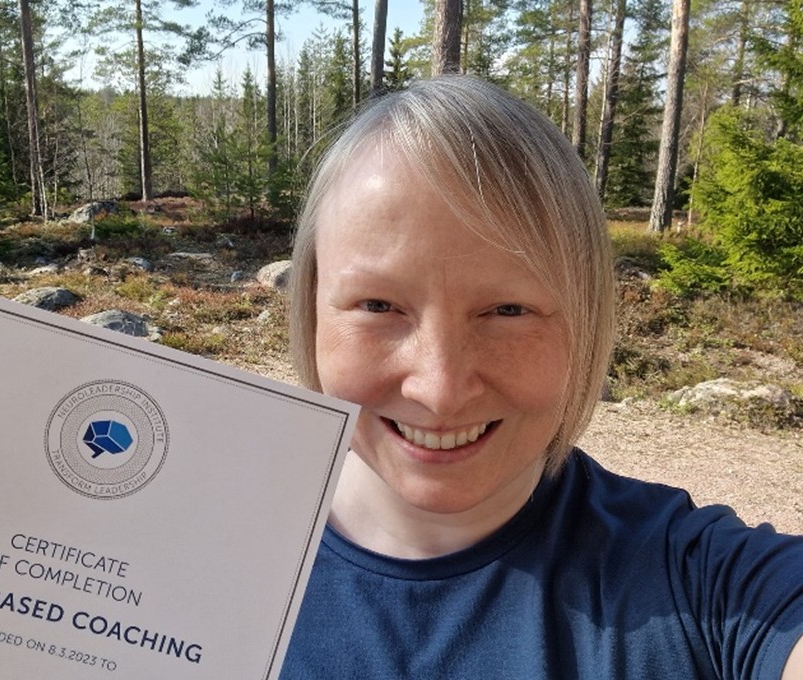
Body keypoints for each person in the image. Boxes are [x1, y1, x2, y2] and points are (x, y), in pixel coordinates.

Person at [281, 75, 803, 679]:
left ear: (585, 319)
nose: (440, 389)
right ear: (311, 309)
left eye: (508, 311)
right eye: (378, 306)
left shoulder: (703, 582)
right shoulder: (204, 537)